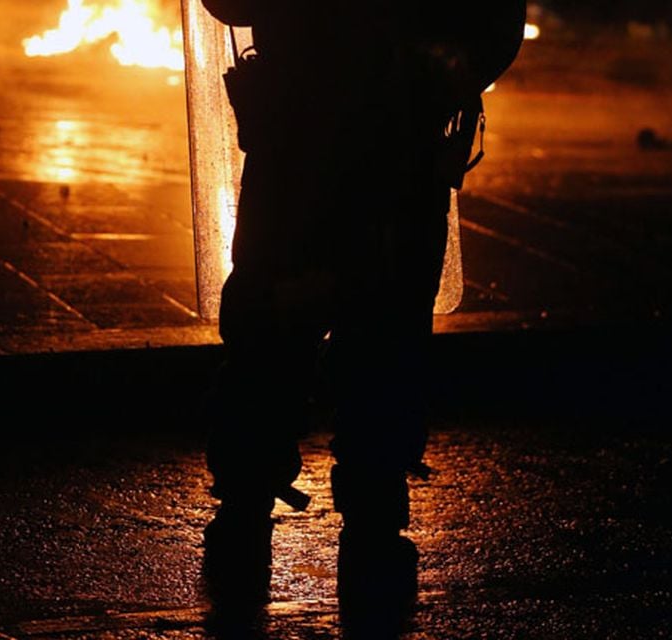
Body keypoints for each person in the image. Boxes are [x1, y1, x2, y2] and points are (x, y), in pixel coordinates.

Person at [199, 0, 526, 630]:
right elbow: (494, 26)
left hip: (306, 150)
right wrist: (439, 79)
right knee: (377, 337)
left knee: (280, 331)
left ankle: (251, 499)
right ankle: (367, 511)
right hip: (389, 154)